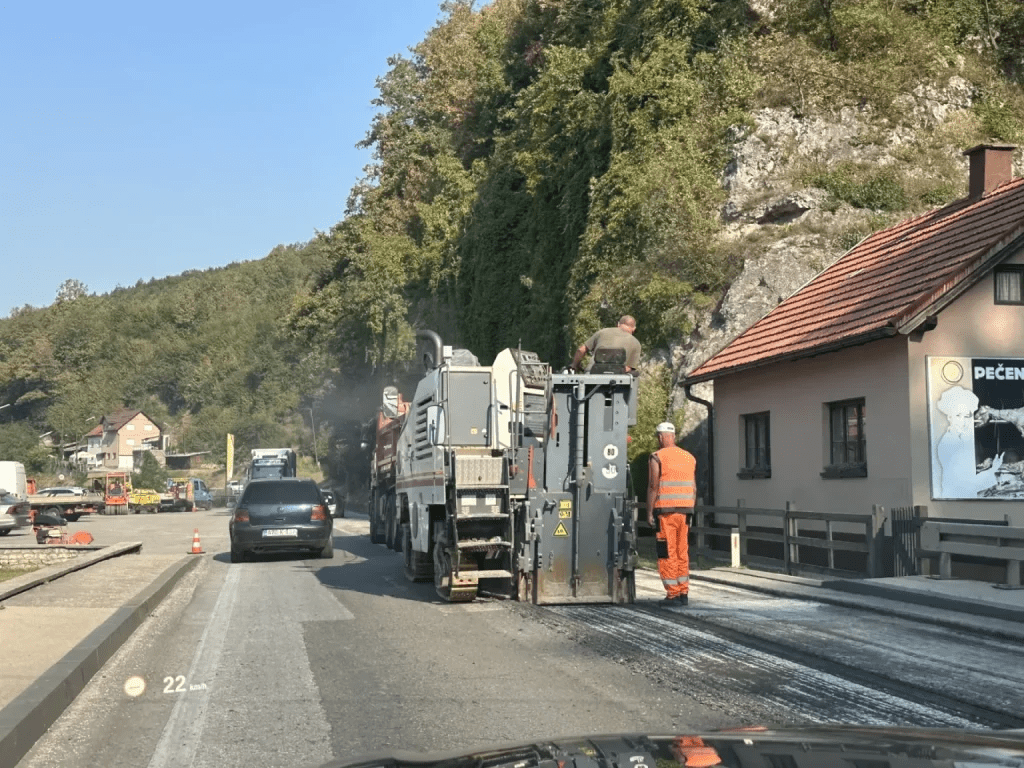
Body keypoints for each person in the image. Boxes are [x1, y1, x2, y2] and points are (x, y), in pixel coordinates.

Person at [646, 421, 696, 606]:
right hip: (685, 512)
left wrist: (649, 512)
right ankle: (683, 592)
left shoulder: (657, 457)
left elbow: (653, 486)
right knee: (682, 551)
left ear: (660, 437)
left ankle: (672, 594)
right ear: (673, 436)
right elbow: (694, 487)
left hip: (666, 512)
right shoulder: (689, 457)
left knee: (667, 552)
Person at [571, 315, 641, 375]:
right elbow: (628, 368)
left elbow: (581, 350)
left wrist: (574, 365)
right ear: (634, 329)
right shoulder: (636, 343)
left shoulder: (602, 332)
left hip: (592, 373)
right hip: (616, 380)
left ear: (618, 324)